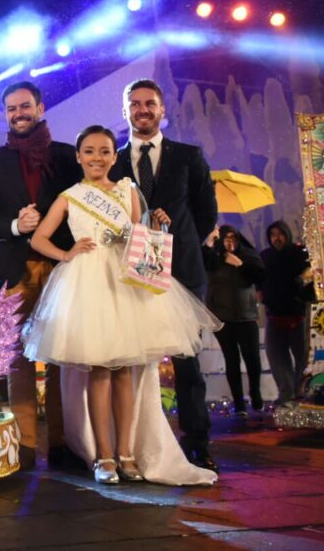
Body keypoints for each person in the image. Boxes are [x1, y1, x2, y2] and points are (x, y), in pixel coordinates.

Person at [24, 125, 219, 486]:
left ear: (115, 156)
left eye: (104, 151)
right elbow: (39, 238)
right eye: (89, 151)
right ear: (79, 156)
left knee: (126, 372)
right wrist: (66, 253)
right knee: (100, 371)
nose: (97, 158)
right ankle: (104, 456)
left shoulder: (129, 190)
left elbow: (138, 234)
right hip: (89, 284)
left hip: (126, 281)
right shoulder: (70, 195)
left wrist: (156, 227)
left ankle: (128, 453)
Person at [0, 81, 82, 467]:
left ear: (40, 106)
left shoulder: (69, 157)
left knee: (58, 356)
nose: (18, 114)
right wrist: (16, 225)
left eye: (24, 106)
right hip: (13, 269)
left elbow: (85, 211)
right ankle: (25, 447)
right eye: (11, 109)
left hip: (59, 266)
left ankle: (63, 444)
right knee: (18, 359)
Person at [111, 78, 220, 473]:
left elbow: (207, 212)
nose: (142, 109)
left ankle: (197, 443)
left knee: (188, 363)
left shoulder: (190, 155)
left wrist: (175, 235)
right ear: (124, 111)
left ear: (162, 110)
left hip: (184, 271)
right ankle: (138, 443)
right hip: (131, 273)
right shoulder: (113, 160)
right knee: (133, 361)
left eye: (150, 103)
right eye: (135, 103)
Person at [204, 225, 265, 417]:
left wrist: (239, 264)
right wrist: (209, 242)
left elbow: (260, 277)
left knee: (253, 360)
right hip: (223, 319)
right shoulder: (214, 259)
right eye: (226, 238)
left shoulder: (248, 256)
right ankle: (239, 403)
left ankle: (255, 394)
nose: (230, 242)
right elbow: (202, 261)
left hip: (246, 317)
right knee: (231, 361)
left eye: (233, 238)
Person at [259, 220, 312, 406]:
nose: (277, 238)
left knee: (303, 359)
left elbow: (309, 281)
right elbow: (260, 279)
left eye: (280, 234)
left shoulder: (299, 255)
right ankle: (286, 394)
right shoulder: (265, 256)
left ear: (287, 234)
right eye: (273, 235)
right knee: (277, 358)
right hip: (274, 316)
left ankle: (301, 394)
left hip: (298, 315)